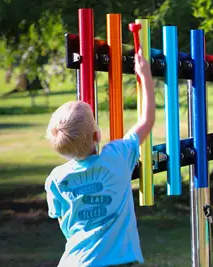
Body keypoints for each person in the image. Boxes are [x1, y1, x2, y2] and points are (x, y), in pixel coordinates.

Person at [44, 49, 155, 267]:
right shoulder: (117, 156)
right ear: (97, 136)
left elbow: (63, 221)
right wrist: (145, 76)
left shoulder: (56, 179)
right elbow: (146, 121)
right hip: (118, 261)